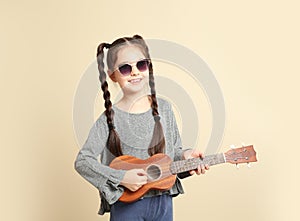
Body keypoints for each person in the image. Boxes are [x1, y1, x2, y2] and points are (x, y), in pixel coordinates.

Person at [74, 34, 209, 221]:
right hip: (126, 206)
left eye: (141, 64)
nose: (135, 72)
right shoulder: (109, 119)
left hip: (163, 203)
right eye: (125, 68)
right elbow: (83, 161)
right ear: (113, 75)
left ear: (149, 67)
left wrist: (186, 156)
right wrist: (121, 177)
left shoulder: (164, 109)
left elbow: (172, 155)